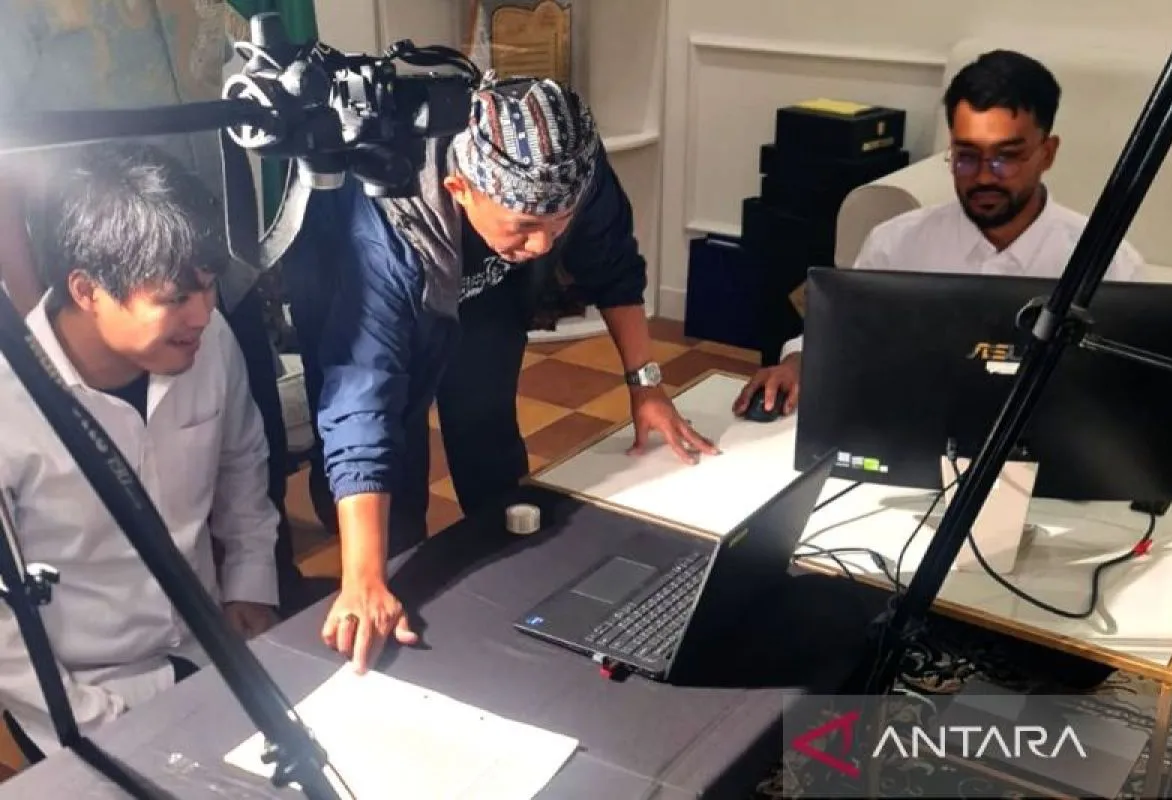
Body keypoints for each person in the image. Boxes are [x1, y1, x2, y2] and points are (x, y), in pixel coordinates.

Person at [283, 77, 718, 674]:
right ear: (460, 188)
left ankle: (510, 600)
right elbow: (362, 397)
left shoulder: (570, 165)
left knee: (487, 432)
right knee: (393, 467)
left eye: (557, 224)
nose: (541, 246)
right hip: (353, 289)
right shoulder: (388, 224)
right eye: (522, 226)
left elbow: (612, 264)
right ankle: (384, 602)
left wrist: (647, 387)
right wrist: (363, 577)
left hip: (481, 294)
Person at [0, 0, 308, 614]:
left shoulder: (210, 321)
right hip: (110, 288)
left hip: (216, 269)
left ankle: (259, 617)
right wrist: (43, 335)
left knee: (249, 456)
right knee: (92, 498)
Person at [0, 142, 281, 762]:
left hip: (210, 649)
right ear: (87, 290)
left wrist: (249, 584)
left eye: (209, 287)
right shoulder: (10, 404)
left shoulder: (208, 342)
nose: (203, 314)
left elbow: (242, 463)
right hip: (86, 696)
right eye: (176, 297)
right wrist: (97, 719)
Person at [734, 49, 1145, 417]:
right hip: (911, 429)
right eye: (966, 156)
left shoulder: (1106, 264)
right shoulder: (896, 244)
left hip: (1046, 443)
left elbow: (1124, 393)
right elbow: (839, 333)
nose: (984, 176)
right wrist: (796, 364)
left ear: (1047, 153)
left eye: (1006, 157)